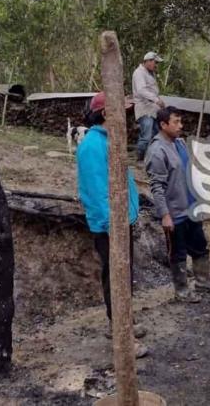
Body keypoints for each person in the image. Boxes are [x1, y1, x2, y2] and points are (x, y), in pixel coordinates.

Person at [77, 92, 149, 357]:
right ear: (107, 113)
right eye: (121, 111)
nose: (127, 117)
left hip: (120, 222)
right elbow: (95, 192)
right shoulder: (93, 146)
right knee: (116, 279)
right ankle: (122, 337)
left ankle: (122, 323)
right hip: (111, 226)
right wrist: (112, 226)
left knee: (122, 277)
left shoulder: (108, 141)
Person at [145, 106, 210, 301]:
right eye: (176, 122)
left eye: (181, 122)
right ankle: (181, 290)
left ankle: (203, 281)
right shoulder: (157, 151)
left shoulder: (180, 143)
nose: (180, 126)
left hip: (191, 208)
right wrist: (165, 214)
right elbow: (156, 186)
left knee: (200, 246)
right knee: (178, 253)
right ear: (163, 125)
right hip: (174, 212)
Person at [132, 51, 165, 162]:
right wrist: (156, 100)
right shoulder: (139, 73)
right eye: (155, 62)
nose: (156, 65)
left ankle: (150, 158)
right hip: (144, 108)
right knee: (146, 136)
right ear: (149, 61)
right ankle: (140, 159)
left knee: (155, 134)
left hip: (152, 109)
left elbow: (152, 90)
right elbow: (141, 90)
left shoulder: (149, 73)